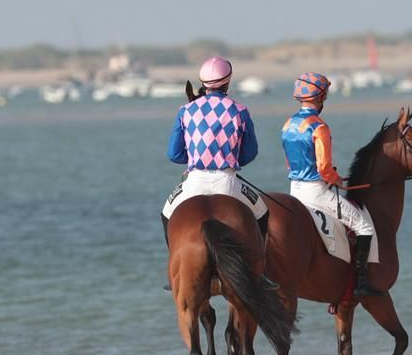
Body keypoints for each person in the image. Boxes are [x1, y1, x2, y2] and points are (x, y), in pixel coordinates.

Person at [162, 57, 270, 284]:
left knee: (167, 213)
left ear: (204, 82)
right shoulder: (240, 111)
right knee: (263, 212)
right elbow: (250, 153)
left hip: (194, 182)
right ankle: (261, 272)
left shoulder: (185, 110)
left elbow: (174, 154)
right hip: (228, 182)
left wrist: (193, 158)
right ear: (227, 82)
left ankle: (176, 271)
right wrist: (230, 159)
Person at [280, 71, 384, 298]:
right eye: (324, 96)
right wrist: (336, 179)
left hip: (294, 191)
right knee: (364, 227)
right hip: (316, 192)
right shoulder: (319, 127)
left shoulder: (287, 124)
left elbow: (290, 162)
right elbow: (324, 168)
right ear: (319, 97)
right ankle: (360, 282)